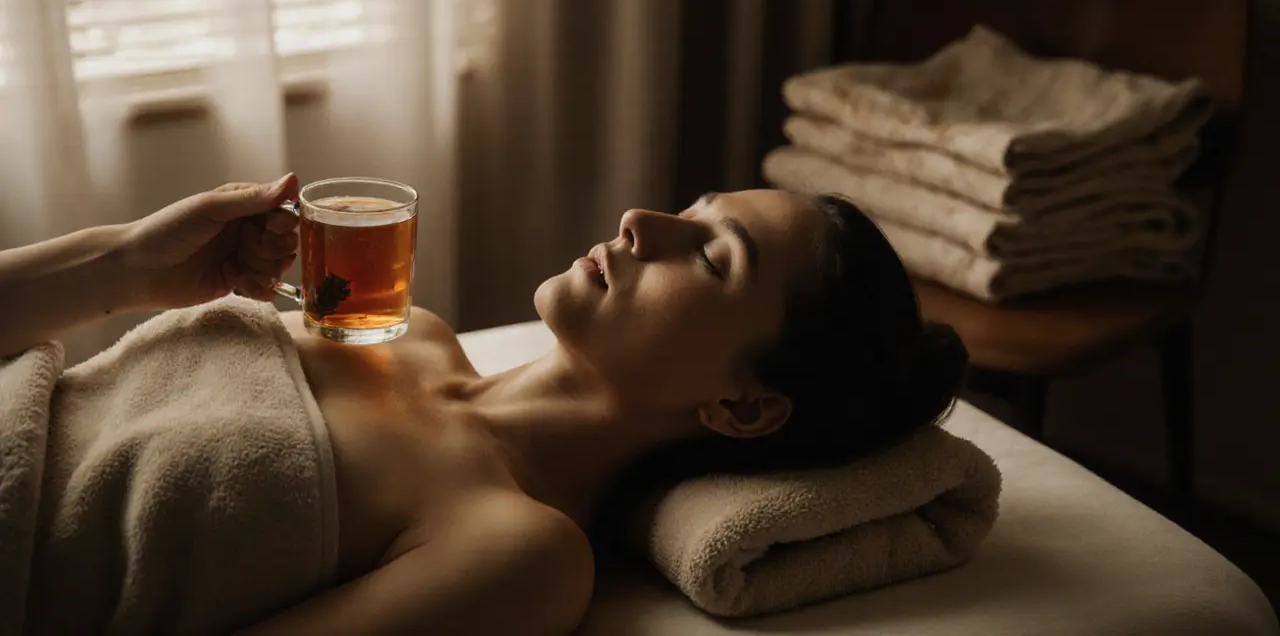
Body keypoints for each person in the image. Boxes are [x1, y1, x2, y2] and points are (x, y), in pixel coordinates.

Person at [0, 174, 967, 635]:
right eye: (694, 208)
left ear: (744, 408)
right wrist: (125, 264)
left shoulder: (522, 551)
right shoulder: (400, 323)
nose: (643, 221)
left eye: (713, 257)